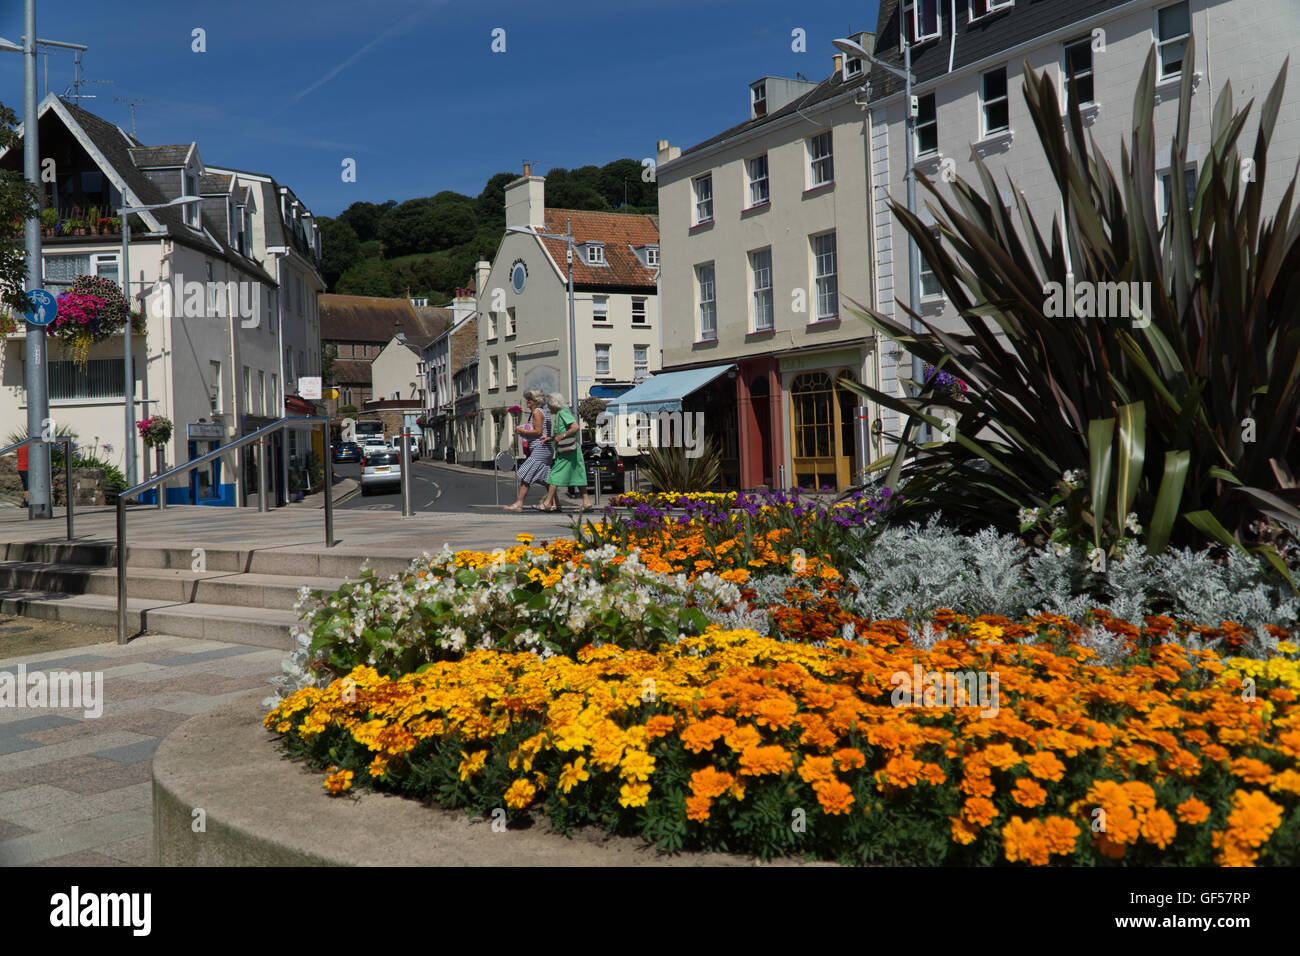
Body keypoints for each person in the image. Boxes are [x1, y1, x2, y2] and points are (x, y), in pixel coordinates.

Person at [539, 392, 592, 512]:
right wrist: (551, 438)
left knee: (554, 475)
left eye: (549, 404)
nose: (548, 407)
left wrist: (562, 435)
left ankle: (547, 503)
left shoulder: (563, 412)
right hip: (568, 451)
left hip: (568, 452)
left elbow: (575, 427)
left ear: (554, 404)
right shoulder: (559, 414)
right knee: (578, 474)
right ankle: (587, 502)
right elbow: (561, 432)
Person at [504, 390, 552, 512]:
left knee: (526, 474)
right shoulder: (543, 412)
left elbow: (538, 431)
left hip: (540, 448)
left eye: (529, 399)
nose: (527, 401)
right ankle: (554, 503)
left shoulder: (536, 412)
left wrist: (522, 431)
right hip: (544, 449)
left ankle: (519, 503)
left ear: (536, 401)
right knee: (546, 479)